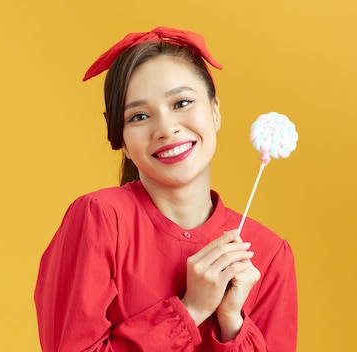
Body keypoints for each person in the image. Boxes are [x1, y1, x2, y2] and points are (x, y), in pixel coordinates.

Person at [34, 26, 297, 352]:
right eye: (140, 116)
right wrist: (192, 310)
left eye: (182, 102)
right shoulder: (99, 220)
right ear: (121, 140)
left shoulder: (269, 254)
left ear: (215, 111)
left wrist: (232, 322)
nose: (166, 128)